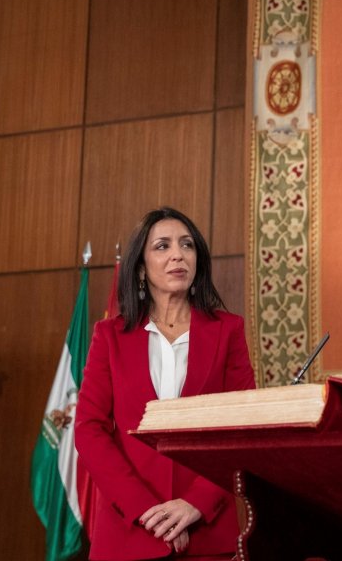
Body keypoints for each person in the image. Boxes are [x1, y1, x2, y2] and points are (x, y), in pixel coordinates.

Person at [75, 207, 256, 560]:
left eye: (187, 245)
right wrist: (145, 509)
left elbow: (242, 428)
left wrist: (196, 503)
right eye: (162, 246)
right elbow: (88, 429)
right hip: (129, 531)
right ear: (141, 267)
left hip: (207, 530)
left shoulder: (228, 330)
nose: (178, 254)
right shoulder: (109, 335)